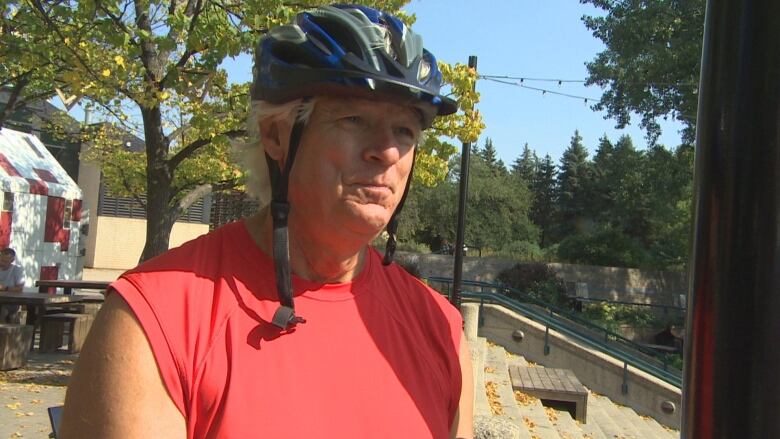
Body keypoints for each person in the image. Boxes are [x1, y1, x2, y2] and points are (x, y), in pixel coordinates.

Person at [60, 4, 474, 439]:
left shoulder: (440, 330)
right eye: (355, 119)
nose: (386, 151)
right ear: (277, 135)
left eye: (405, 131)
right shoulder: (155, 322)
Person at [0, 248, 25, 323]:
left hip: (11, 301)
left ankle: (3, 332)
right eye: (1, 260)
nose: (2, 263)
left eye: (5, 261)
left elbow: (20, 289)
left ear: (12, 260)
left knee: (2, 310)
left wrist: (5, 288)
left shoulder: (17, 270)